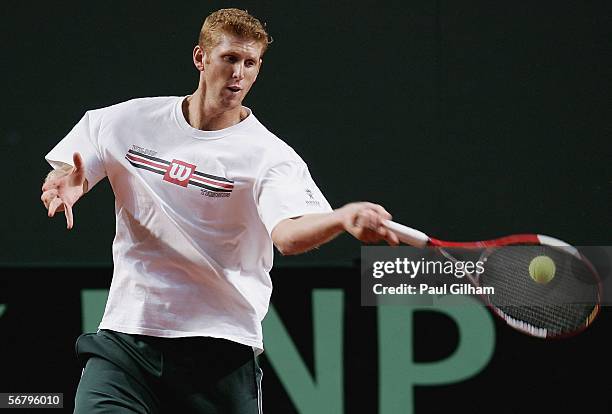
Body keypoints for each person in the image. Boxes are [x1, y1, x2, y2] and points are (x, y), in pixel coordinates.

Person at [41, 8, 398, 414]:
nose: (239, 74)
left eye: (251, 63)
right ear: (201, 58)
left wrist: (340, 218)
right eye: (229, 58)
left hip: (219, 352)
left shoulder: (270, 156)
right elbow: (75, 167)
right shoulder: (125, 121)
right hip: (128, 340)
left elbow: (287, 234)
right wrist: (70, 182)